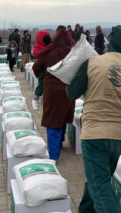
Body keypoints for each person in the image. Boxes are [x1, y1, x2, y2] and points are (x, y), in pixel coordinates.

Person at [66, 25, 121, 213]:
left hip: (94, 132)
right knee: (99, 179)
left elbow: (71, 93)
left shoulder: (93, 62)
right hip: (119, 135)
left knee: (99, 185)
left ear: (113, 41)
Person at [32, 29, 75, 160]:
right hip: (68, 90)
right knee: (62, 117)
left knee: (53, 121)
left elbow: (36, 67)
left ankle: (54, 155)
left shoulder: (49, 51)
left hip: (52, 91)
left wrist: (45, 76)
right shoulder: (73, 53)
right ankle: (59, 144)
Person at [31, 30, 52, 110]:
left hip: (50, 66)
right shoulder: (37, 47)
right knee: (42, 81)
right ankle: (36, 98)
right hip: (42, 67)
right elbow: (36, 54)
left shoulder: (51, 46)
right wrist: (46, 49)